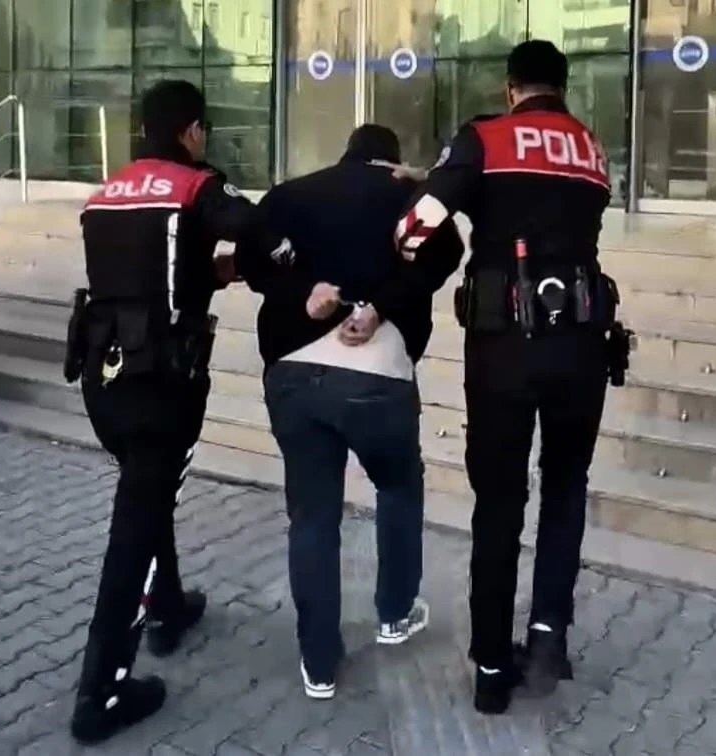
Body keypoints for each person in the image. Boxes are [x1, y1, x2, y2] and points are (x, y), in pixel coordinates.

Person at [363, 40, 630, 714]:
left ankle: (489, 666)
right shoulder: (591, 150)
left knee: (501, 501)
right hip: (582, 347)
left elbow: (414, 231)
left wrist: (431, 187)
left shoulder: (484, 137)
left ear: (511, 88)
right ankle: (547, 636)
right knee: (565, 487)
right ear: (562, 88)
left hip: (503, 350)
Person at [63, 79, 292, 744]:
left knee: (148, 492)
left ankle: (167, 606)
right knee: (134, 530)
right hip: (161, 385)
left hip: (103, 380)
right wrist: (275, 261)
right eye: (202, 131)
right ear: (192, 130)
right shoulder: (195, 184)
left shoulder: (108, 192)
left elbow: (145, 272)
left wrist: (211, 272)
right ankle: (101, 692)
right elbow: (255, 227)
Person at [239, 124, 462, 700]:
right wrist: (382, 304)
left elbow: (251, 261)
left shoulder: (291, 193)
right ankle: (395, 612)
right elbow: (447, 253)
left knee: (312, 515)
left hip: (292, 371)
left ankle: (318, 662)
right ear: (391, 161)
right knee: (398, 484)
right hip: (379, 372)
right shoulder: (407, 196)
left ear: (346, 155)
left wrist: (303, 292)